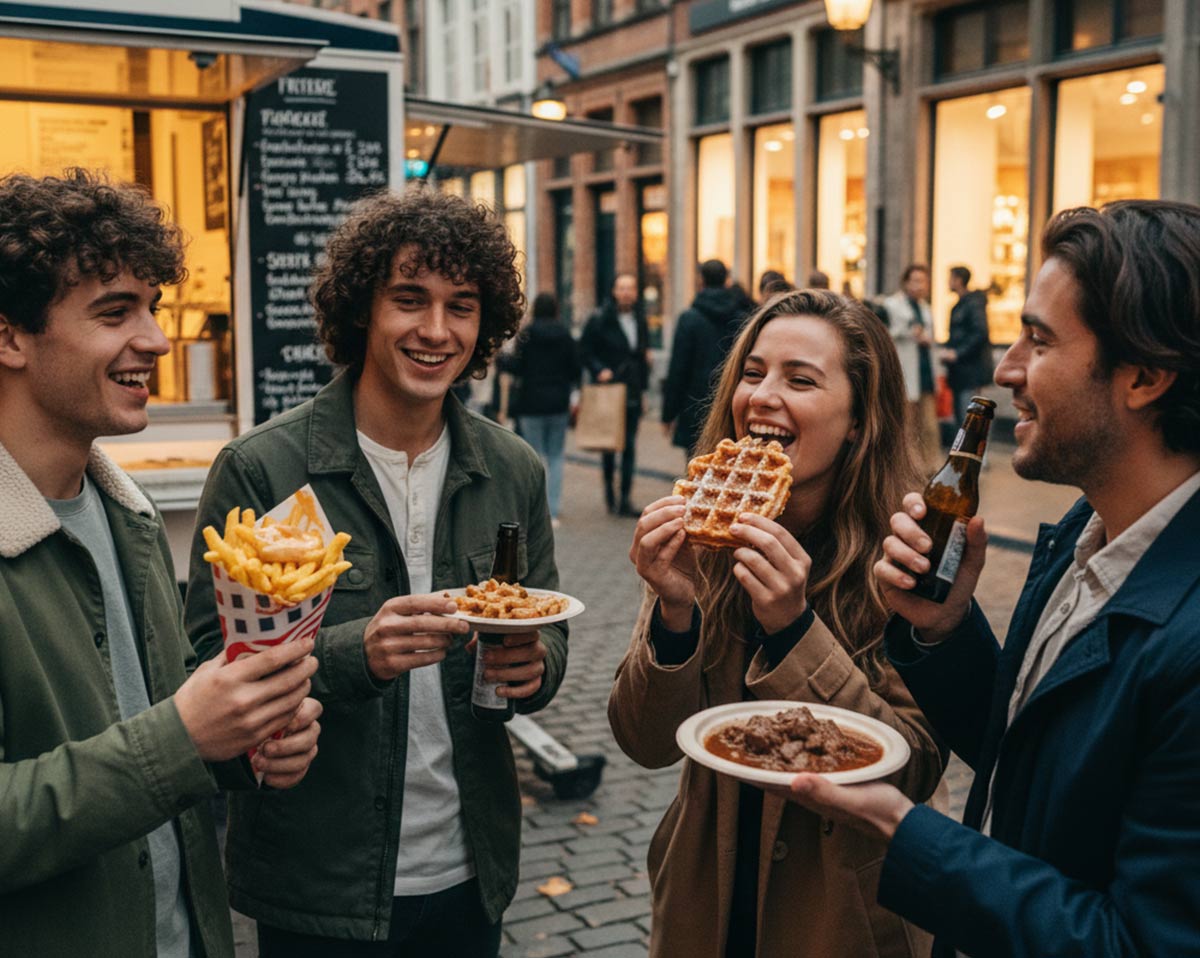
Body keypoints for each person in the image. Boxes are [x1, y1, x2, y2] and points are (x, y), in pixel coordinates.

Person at [784, 201, 1200, 956]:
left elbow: (1143, 943)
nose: (1005, 369)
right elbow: (1037, 762)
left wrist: (905, 831)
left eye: (1038, 340)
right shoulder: (1088, 532)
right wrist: (941, 632)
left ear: (1144, 376)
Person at [184, 186, 569, 956]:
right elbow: (200, 669)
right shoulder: (263, 469)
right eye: (409, 299)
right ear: (362, 308)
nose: (436, 330)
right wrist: (354, 653)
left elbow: (547, 636)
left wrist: (537, 665)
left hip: (469, 873)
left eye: (461, 306)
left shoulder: (512, 469)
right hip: (320, 884)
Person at [0, 169, 322, 957]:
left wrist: (245, 748)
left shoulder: (129, 518)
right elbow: (160, 744)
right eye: (115, 313)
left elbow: (163, 738)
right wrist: (184, 737)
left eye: (154, 308)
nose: (156, 339)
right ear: (9, 335)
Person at [610, 288, 945, 957]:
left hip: (841, 915)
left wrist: (794, 629)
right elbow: (645, 742)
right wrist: (674, 611)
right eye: (753, 372)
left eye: (800, 380)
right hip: (705, 902)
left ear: (857, 420)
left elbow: (913, 770)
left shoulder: (907, 557)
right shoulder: (704, 541)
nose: (761, 396)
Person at [662, 259, 752, 458]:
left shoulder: (689, 318)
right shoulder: (742, 317)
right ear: (726, 280)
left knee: (697, 467)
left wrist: (668, 413)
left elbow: (678, 369)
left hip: (695, 406)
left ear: (701, 280)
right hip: (730, 404)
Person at [505, 291, 580, 526]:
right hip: (558, 403)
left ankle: (534, 510)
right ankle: (553, 511)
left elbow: (517, 366)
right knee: (557, 456)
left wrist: (501, 361)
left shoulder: (527, 335)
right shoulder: (566, 334)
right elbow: (575, 369)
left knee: (534, 457)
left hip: (531, 402)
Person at [580, 273, 651, 516]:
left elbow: (642, 358)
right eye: (621, 288)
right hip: (609, 390)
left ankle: (625, 499)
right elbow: (584, 350)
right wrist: (599, 370)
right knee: (610, 445)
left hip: (631, 389)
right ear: (613, 291)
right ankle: (610, 493)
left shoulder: (640, 319)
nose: (626, 293)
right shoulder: (600, 319)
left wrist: (644, 391)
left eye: (630, 288)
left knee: (630, 445)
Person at [883, 264, 942, 472]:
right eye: (915, 280)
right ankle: (909, 467)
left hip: (925, 370)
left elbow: (931, 338)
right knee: (907, 424)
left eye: (923, 281)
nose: (919, 285)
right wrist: (907, 331)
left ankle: (931, 466)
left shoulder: (925, 308)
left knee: (928, 425)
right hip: (906, 371)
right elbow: (885, 334)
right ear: (906, 282)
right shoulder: (892, 305)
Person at [941, 265, 992, 423]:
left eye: (950, 278)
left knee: (968, 420)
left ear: (959, 280)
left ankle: (970, 448)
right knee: (961, 417)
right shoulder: (959, 305)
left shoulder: (972, 303)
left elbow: (980, 333)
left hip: (970, 371)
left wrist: (957, 353)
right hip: (959, 372)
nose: (948, 282)